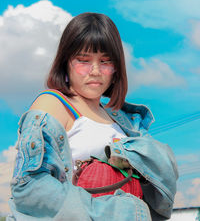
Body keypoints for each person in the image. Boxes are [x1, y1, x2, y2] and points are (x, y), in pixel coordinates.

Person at [7, 13, 178, 221]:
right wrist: (117, 211)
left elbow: (163, 177)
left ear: (116, 68)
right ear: (66, 62)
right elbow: (29, 187)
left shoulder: (123, 120)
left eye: (105, 61)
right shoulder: (54, 104)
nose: (95, 71)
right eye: (83, 60)